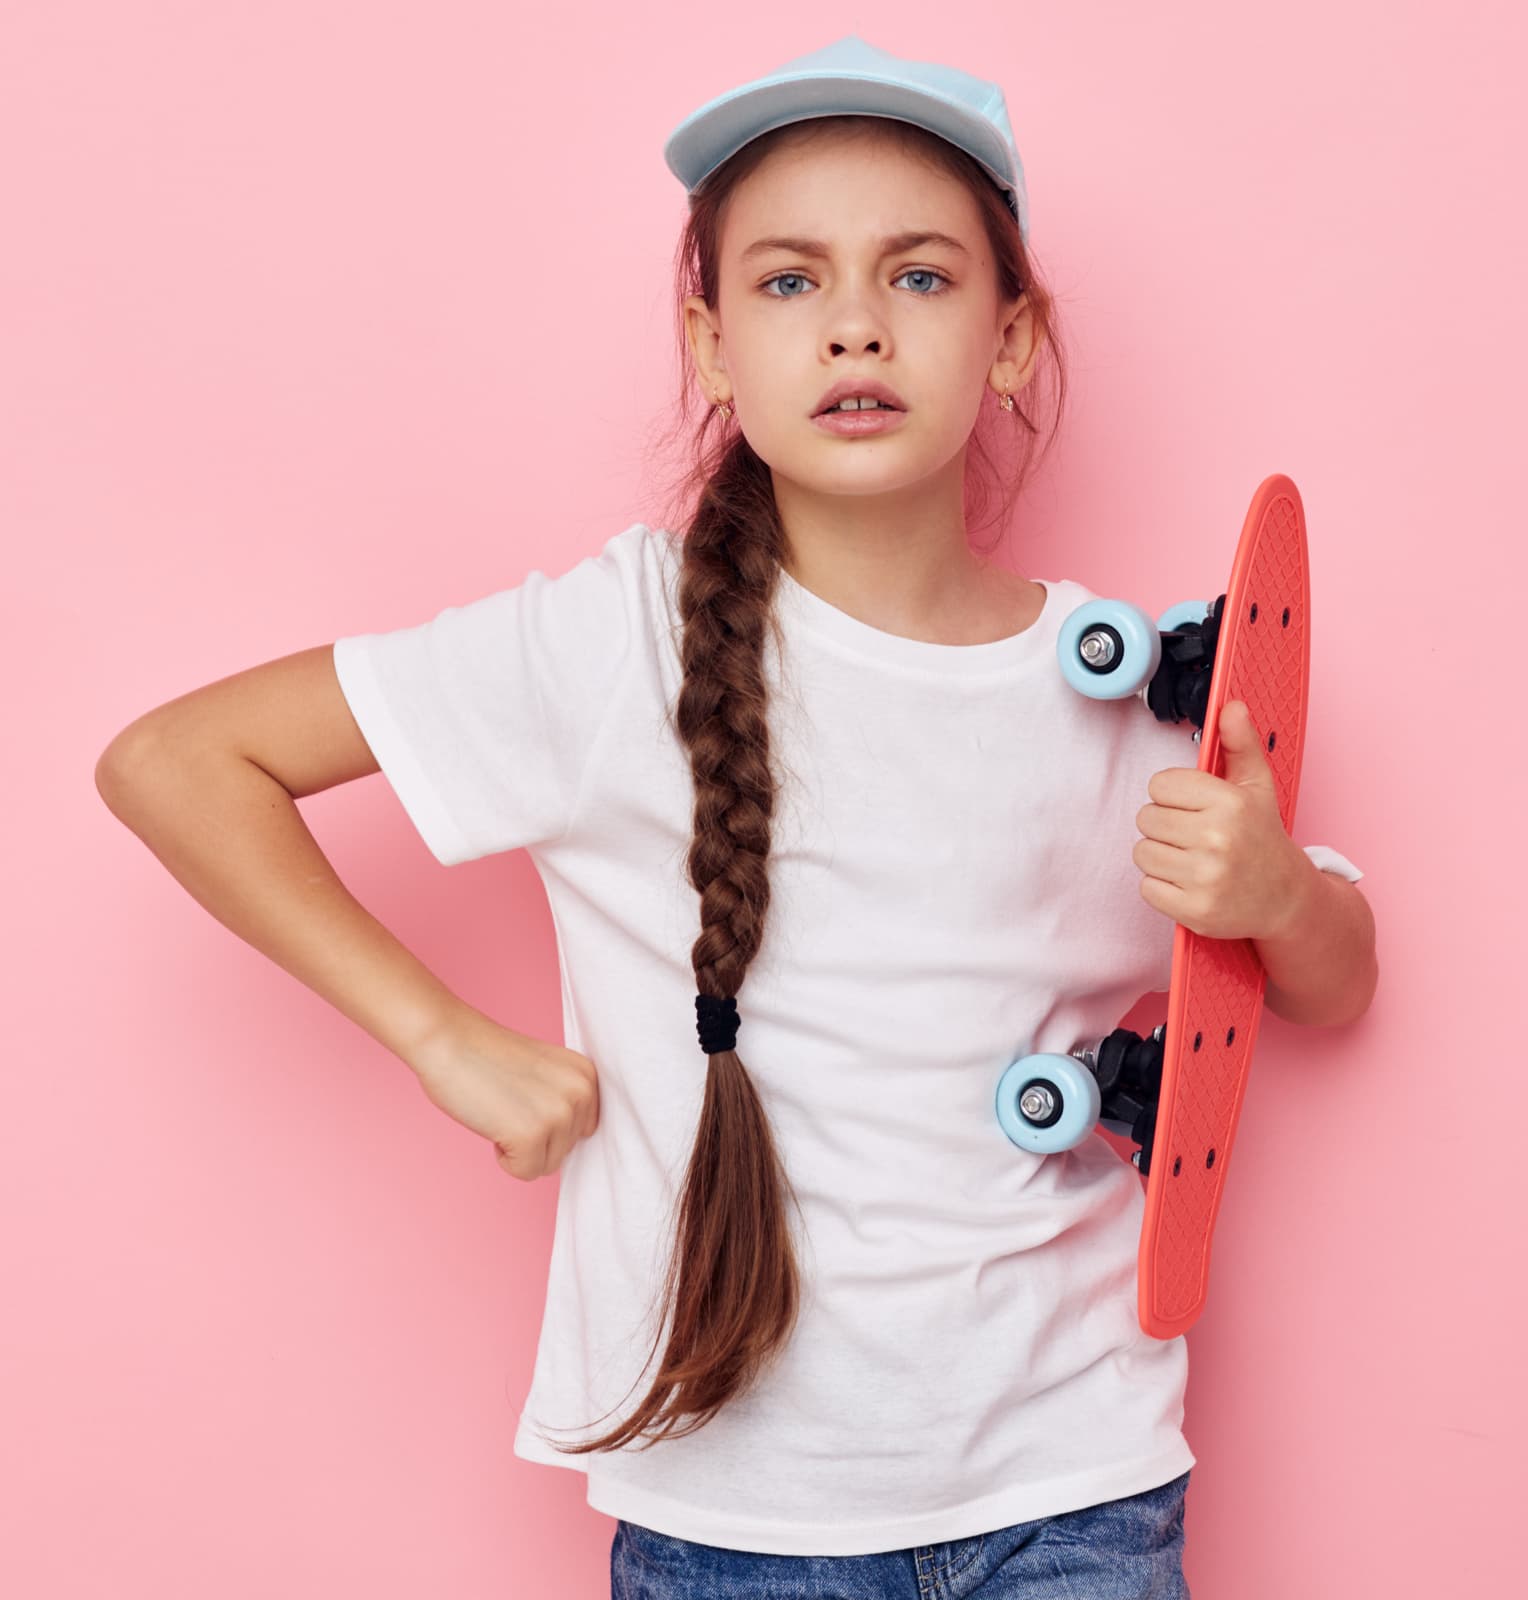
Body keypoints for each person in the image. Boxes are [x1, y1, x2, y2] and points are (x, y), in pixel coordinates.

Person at [95, 33, 1378, 1600]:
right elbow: (175, 762)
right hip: (734, 1526)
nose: (852, 324)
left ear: (1015, 335)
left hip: (1078, 1490)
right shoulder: (606, 646)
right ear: (708, 345)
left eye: (919, 276)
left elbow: (1329, 977)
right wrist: (440, 1040)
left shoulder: (1114, 681)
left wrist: (1282, 901)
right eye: (786, 283)